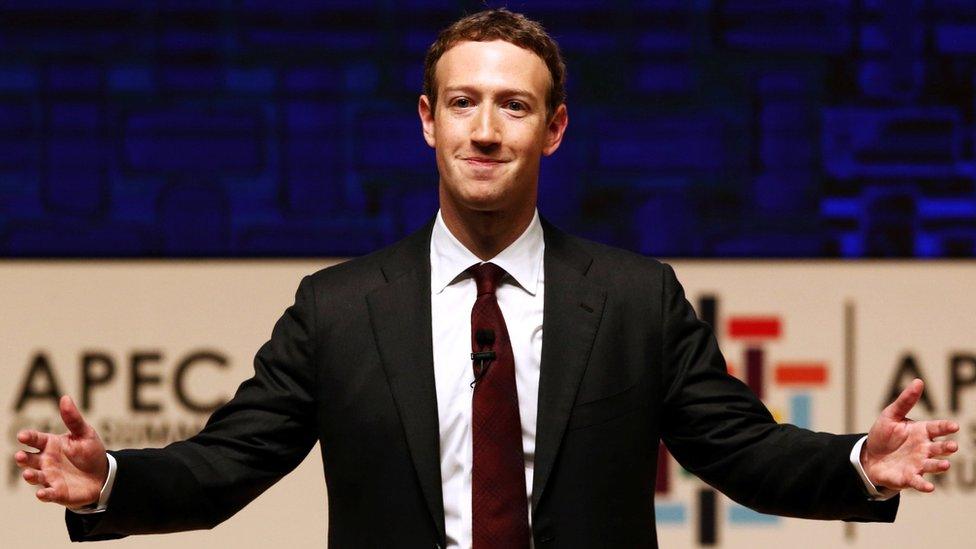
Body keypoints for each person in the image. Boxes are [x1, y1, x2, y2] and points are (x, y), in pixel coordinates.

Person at [14, 9, 959, 549]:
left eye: (514, 105)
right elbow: (229, 462)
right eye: (463, 102)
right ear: (427, 121)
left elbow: (740, 448)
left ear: (553, 130)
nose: (485, 128)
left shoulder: (635, 299)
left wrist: (856, 466)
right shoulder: (339, 309)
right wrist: (112, 482)